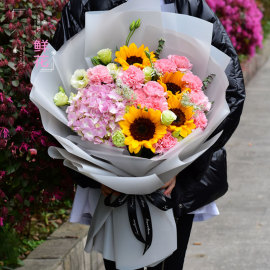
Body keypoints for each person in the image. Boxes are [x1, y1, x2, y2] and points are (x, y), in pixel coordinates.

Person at [51, 0, 245, 269]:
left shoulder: (188, 6)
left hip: (176, 176)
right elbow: (53, 80)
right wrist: (95, 174)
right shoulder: (85, 5)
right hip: (109, 175)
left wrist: (184, 165)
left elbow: (230, 88)